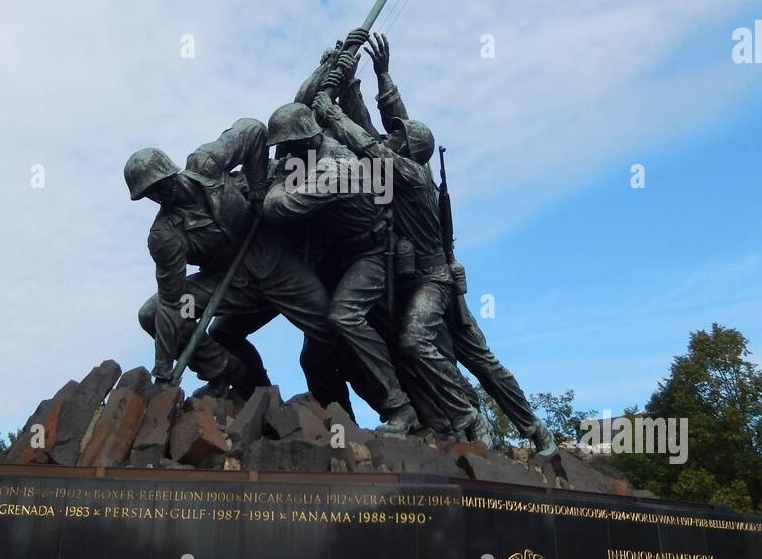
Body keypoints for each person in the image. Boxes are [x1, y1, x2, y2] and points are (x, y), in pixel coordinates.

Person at [321, 32, 557, 457]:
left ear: (407, 150)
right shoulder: (414, 166)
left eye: (398, 138)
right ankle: (500, 424)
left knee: (431, 346)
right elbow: (391, 126)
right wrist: (373, 77)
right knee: (473, 359)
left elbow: (368, 141)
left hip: (435, 283)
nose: (391, 136)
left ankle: (487, 420)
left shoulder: (407, 174)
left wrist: (328, 106)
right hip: (424, 278)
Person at [125, 117, 351, 409]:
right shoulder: (165, 235)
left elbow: (254, 132)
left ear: (171, 171)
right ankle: (230, 375)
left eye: (160, 184)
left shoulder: (206, 163)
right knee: (152, 313)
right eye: (149, 193)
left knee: (332, 331)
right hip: (229, 284)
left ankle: (354, 415)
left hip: (276, 264)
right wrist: (163, 371)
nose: (158, 194)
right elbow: (171, 304)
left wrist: (257, 193)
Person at [262, 101, 418, 434]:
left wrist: (275, 183)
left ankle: (400, 409)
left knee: (344, 316)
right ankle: (342, 427)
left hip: (372, 253)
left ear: (304, 142)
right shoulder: (316, 150)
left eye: (287, 147)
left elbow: (281, 208)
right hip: (338, 257)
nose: (283, 155)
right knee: (313, 357)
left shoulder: (332, 170)